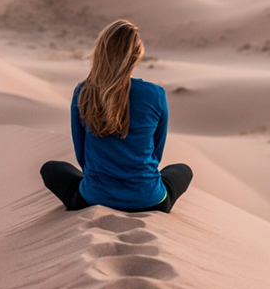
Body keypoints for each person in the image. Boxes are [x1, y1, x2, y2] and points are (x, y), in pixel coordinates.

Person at [40, 19, 193, 214]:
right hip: (149, 199)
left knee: (52, 169)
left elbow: (82, 155)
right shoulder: (156, 94)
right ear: (137, 56)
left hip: (93, 198)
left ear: (100, 53)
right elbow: (156, 153)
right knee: (182, 170)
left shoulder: (84, 92)